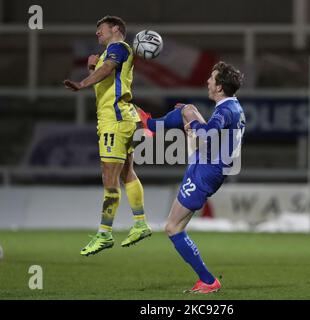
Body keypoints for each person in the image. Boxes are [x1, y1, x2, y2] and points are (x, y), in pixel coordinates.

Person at [137, 61, 246, 293]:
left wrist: (195, 126)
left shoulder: (226, 111)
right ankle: (151, 125)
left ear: (219, 87)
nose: (208, 81)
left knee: (172, 227)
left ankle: (208, 280)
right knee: (187, 109)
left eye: (211, 78)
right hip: (209, 160)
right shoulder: (232, 106)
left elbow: (208, 132)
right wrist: (192, 123)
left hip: (207, 171)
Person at [63, 15, 151, 256]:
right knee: (127, 172)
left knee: (109, 177)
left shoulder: (118, 47)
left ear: (115, 29)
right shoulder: (111, 52)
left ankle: (104, 234)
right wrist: (92, 67)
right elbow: (105, 77)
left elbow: (107, 69)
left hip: (115, 120)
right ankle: (140, 223)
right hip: (123, 118)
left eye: (99, 29)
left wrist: (83, 81)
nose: (96, 33)